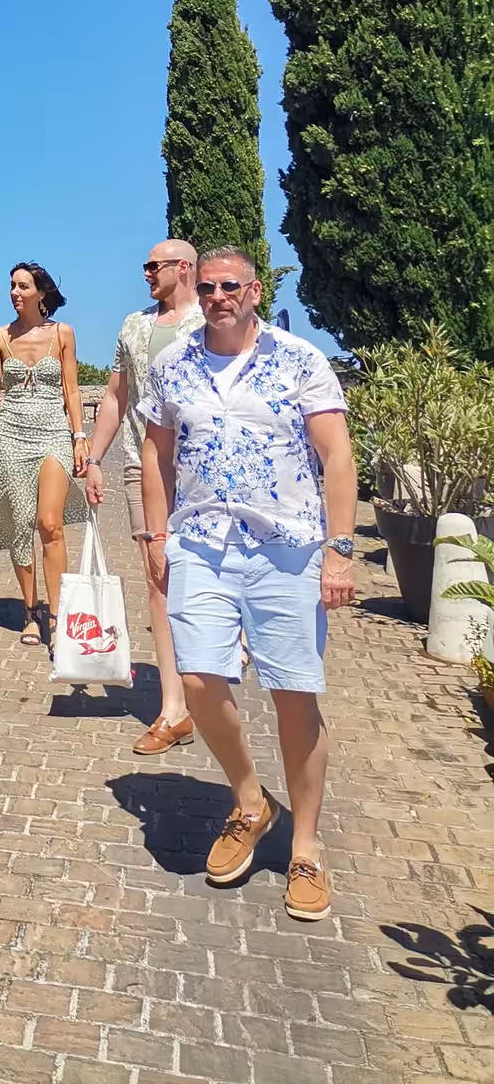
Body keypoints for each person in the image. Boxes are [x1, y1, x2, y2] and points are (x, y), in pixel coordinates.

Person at [140, 247, 357, 922]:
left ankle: (309, 848)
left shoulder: (298, 360)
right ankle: (251, 802)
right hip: (202, 544)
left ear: (255, 290)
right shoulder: (172, 363)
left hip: (286, 550)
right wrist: (155, 533)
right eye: (206, 286)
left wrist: (340, 550)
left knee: (294, 693)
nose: (216, 296)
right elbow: (155, 449)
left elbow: (337, 454)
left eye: (230, 285)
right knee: (200, 681)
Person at [84, 240, 203, 753]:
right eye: (144, 266)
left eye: (153, 266)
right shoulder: (133, 326)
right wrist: (92, 458)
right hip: (143, 464)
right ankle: (174, 711)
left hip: (209, 472)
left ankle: (218, 665)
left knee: (212, 572)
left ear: (184, 268)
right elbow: (116, 395)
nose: (146, 274)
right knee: (159, 579)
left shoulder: (213, 317)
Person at [0, 263, 89, 647]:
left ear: (41, 292)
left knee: (49, 523)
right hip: (10, 434)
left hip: (53, 431)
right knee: (21, 524)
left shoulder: (63, 333)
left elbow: (72, 390)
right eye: (12, 286)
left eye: (23, 286)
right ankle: (30, 611)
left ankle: (57, 616)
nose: (15, 292)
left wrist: (79, 435)